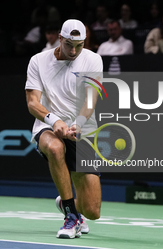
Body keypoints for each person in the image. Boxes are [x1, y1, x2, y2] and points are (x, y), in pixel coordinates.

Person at [25, 19, 102, 239]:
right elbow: (32, 103)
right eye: (69, 44)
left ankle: (68, 202)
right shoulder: (38, 61)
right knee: (56, 148)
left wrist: (78, 123)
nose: (75, 50)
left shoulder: (93, 59)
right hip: (48, 127)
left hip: (82, 130)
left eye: (80, 45)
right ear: (60, 39)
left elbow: (90, 100)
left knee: (93, 211)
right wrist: (53, 120)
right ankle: (70, 216)